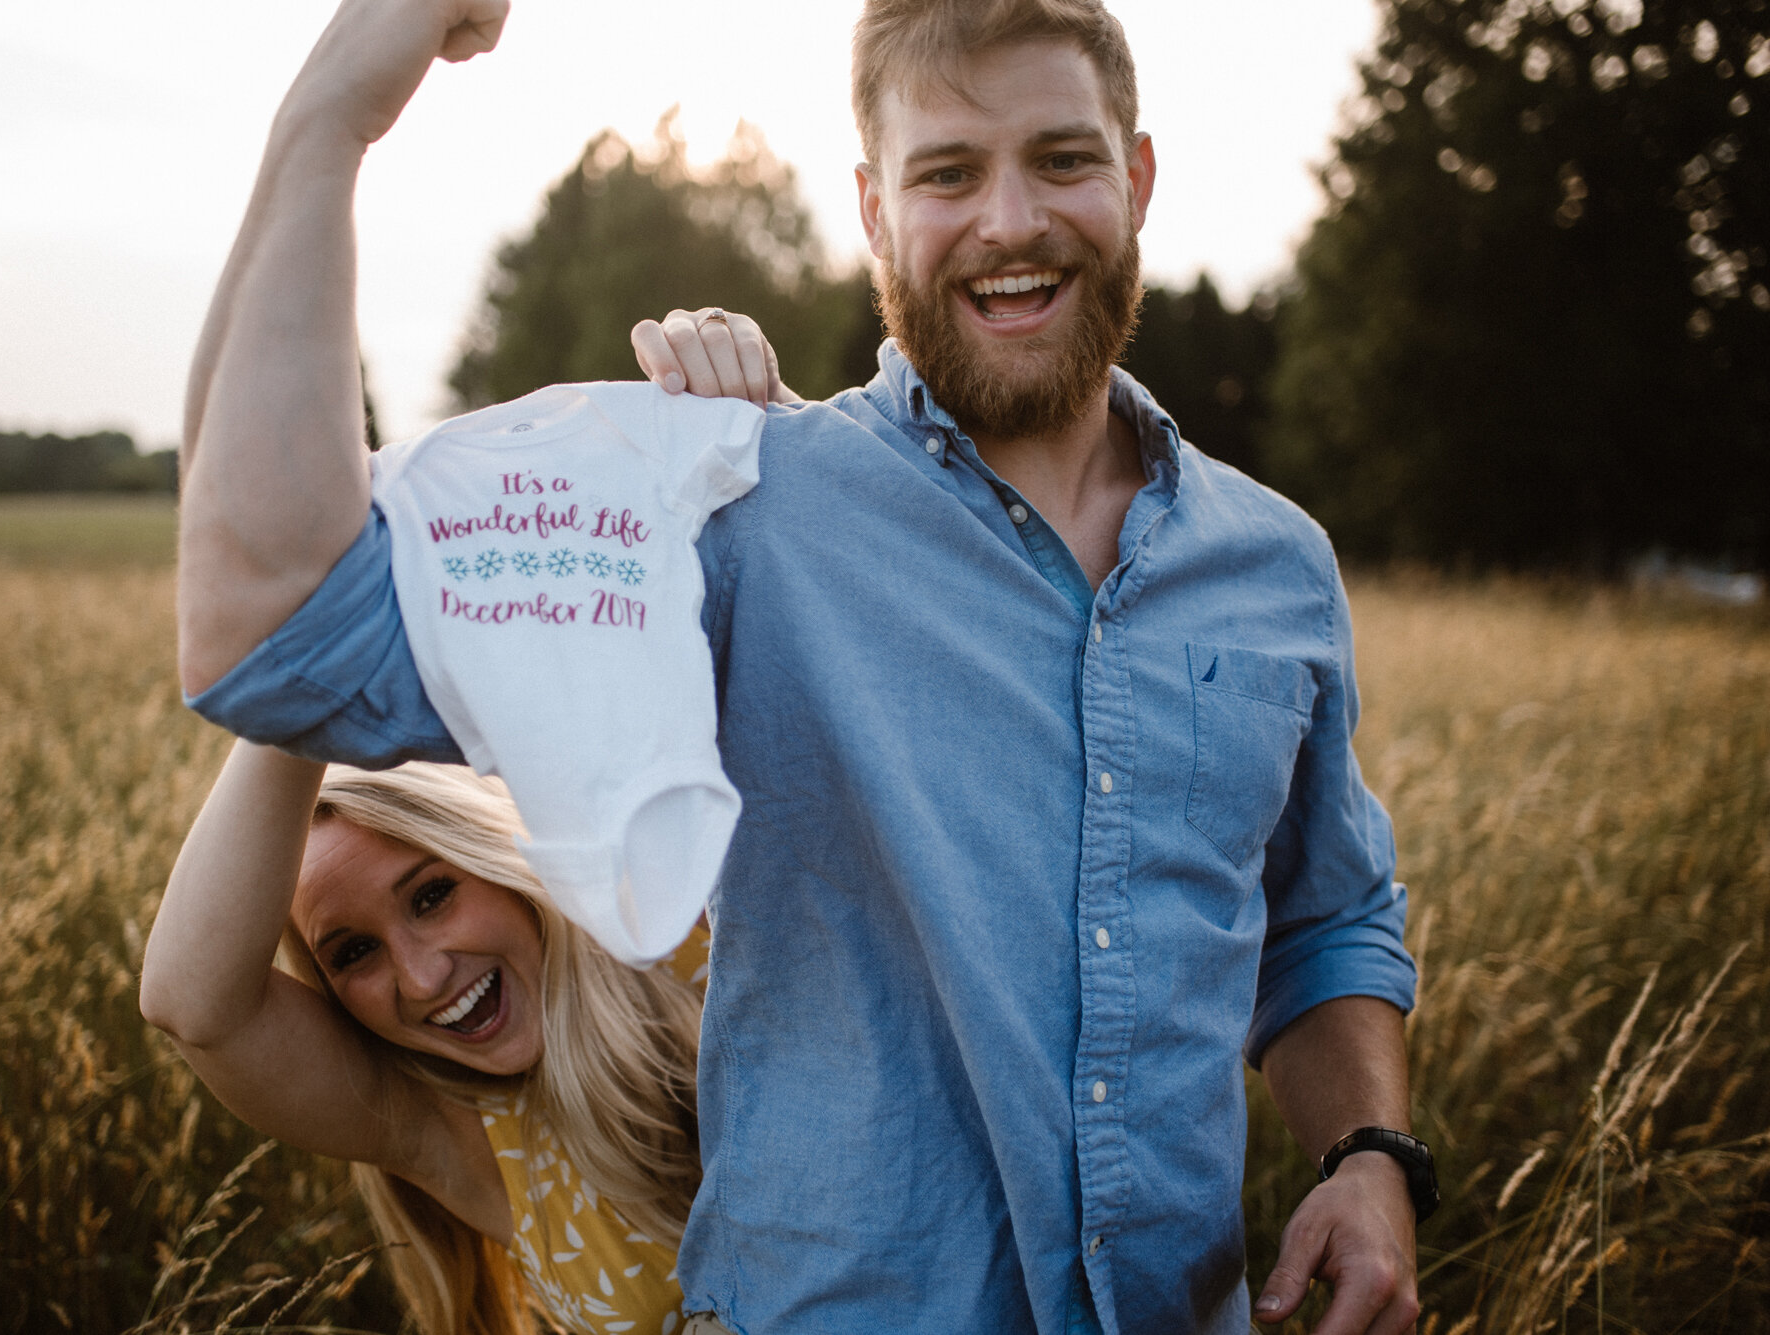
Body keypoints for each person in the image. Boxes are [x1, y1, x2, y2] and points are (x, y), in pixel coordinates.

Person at [171, 0, 1433, 1331]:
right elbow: (272, 632)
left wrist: (1367, 1156)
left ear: (1139, 176)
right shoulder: (733, 509)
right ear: (874, 212)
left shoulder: (1276, 566)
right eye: (947, 172)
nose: (1010, 219)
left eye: (1061, 158)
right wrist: (334, 112)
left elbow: (1322, 919)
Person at [140, 745, 708, 1334]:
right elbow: (191, 1005)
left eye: (431, 896)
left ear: (495, 853)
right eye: (355, 952)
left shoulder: (685, 922)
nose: (422, 978)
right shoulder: (448, 1129)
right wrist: (281, 701)